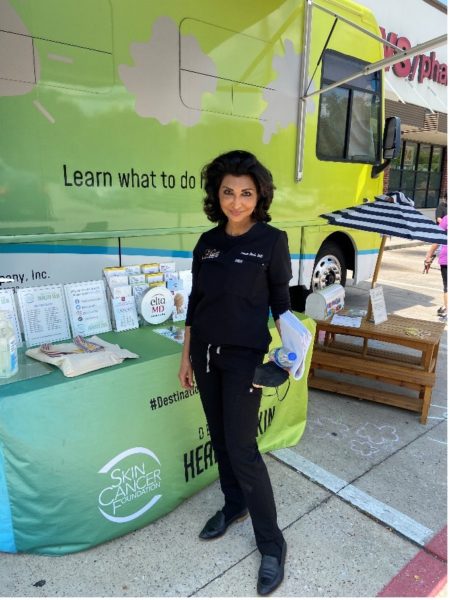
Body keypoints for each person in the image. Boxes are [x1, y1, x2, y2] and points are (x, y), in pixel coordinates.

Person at [178, 150, 291, 596]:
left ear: (259, 195)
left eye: (246, 193)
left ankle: (272, 544)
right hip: (205, 354)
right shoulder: (207, 242)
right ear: (217, 195)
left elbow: (281, 303)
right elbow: (195, 302)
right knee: (220, 438)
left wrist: (289, 351)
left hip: (246, 359)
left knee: (243, 448)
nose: (237, 201)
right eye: (228, 192)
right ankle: (234, 504)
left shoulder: (272, 241)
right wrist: (186, 356)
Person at [424, 214, 447, 320]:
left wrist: (429, 256)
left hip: (446, 258)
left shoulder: (447, 219)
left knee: (447, 287)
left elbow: (437, 239)